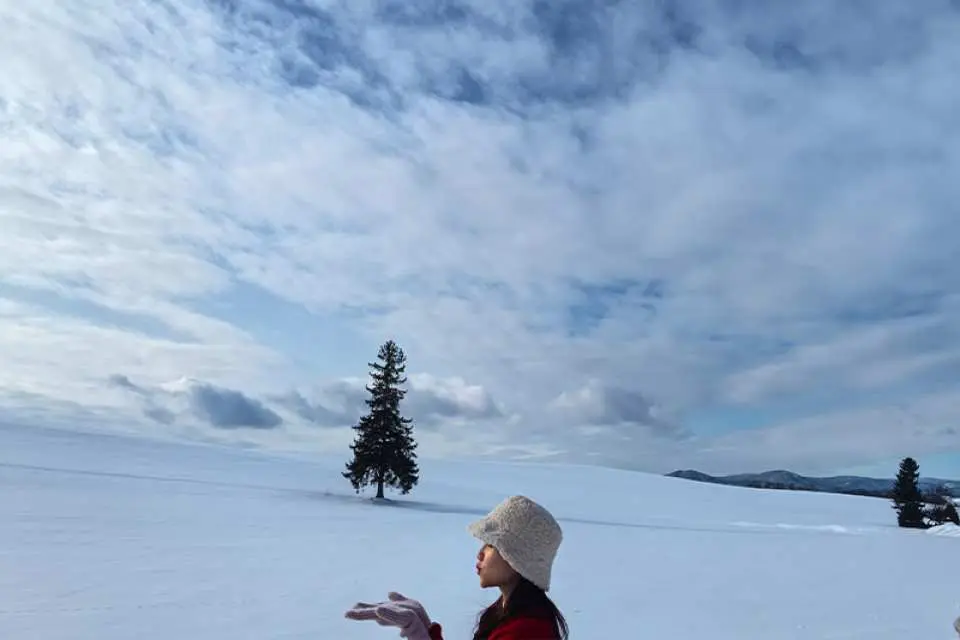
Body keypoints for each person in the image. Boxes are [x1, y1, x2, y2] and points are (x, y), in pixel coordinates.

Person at [345, 495, 569, 640]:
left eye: (492, 544)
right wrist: (425, 628)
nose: (480, 552)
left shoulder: (525, 633)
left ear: (517, 558)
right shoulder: (511, 613)